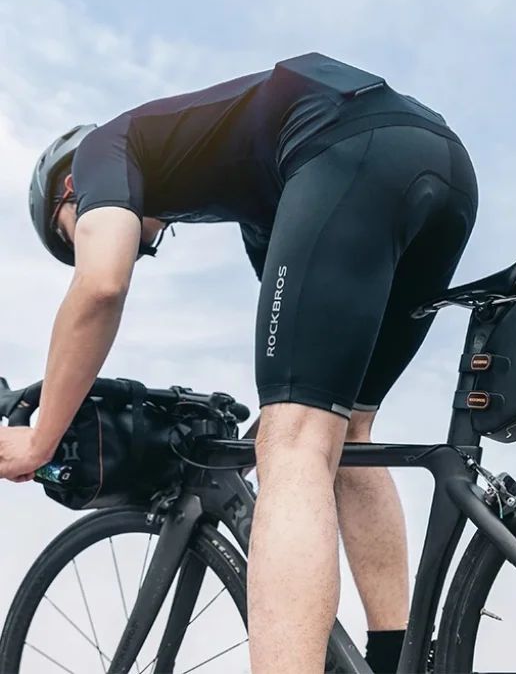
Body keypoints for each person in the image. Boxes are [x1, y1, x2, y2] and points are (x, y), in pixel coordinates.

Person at [0, 51, 478, 673]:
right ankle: (396, 660)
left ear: (68, 190)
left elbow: (99, 287)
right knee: (342, 428)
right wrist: (265, 439)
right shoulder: (263, 205)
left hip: (348, 149)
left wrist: (41, 440)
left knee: (297, 444)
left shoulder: (100, 152)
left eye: (73, 232)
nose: (132, 247)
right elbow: (308, 362)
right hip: (442, 164)